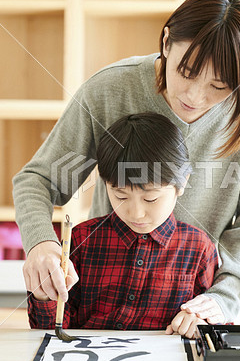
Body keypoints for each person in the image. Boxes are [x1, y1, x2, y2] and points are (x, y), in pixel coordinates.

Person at [13, 0, 240, 326]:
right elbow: (39, 180)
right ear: (166, 42)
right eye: (187, 71)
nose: (196, 96)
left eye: (219, 86)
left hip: (191, 311)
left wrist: (222, 299)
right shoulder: (111, 90)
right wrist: (41, 244)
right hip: (107, 298)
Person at [28, 112, 218, 338]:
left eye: (150, 199)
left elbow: (214, 327)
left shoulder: (199, 249)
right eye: (120, 196)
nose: (136, 212)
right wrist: (44, 294)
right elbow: (49, 332)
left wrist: (200, 322)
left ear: (181, 183)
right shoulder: (81, 240)